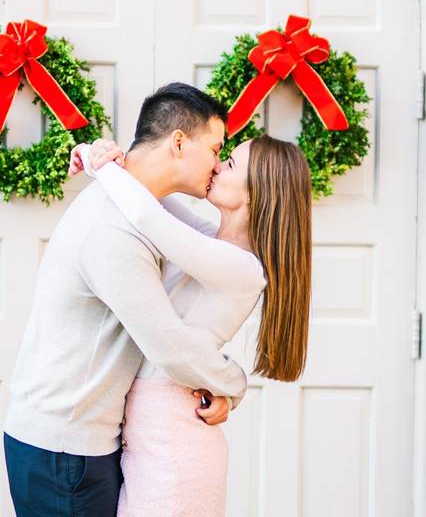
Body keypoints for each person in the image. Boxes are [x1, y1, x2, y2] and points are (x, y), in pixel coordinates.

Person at [3, 83, 248, 516]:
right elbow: (168, 346)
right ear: (178, 143)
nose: (216, 165)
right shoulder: (114, 229)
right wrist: (233, 384)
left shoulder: (144, 211)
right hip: (65, 447)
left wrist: (101, 163)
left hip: (85, 438)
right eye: (215, 149)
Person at [72, 131, 313, 516]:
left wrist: (94, 159)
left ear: (254, 193)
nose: (217, 165)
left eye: (230, 163)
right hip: (154, 433)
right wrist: (109, 157)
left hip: (175, 448)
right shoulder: (211, 242)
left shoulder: (241, 268)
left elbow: (146, 214)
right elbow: (150, 192)